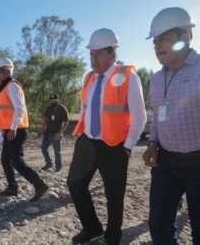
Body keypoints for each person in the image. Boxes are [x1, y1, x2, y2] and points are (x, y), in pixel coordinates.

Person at [142, 7, 200, 245]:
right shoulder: (156, 79)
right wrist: (153, 142)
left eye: (163, 38)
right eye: (155, 41)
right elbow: (158, 116)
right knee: (158, 226)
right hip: (166, 164)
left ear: (185, 37)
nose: (157, 45)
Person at [67, 28, 147, 244]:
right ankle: (92, 227)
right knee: (74, 183)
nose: (93, 59)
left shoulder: (128, 77)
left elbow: (140, 117)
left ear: (113, 54)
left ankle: (113, 236)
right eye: (91, 54)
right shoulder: (89, 77)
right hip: (87, 142)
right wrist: (82, 132)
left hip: (115, 146)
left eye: (99, 53)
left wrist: (128, 146)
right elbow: (85, 107)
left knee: (114, 195)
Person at [0, 57, 48, 202]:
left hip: (17, 130)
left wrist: (12, 129)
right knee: (5, 159)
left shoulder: (12, 85)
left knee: (17, 161)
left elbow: (19, 109)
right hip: (9, 130)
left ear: (6, 71)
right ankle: (12, 187)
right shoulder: (5, 87)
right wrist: (5, 129)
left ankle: (40, 185)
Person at [41, 93, 69, 172]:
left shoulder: (62, 109)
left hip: (56, 133)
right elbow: (45, 119)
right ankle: (49, 163)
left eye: (54, 100)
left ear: (58, 100)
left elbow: (66, 123)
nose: (52, 102)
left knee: (57, 151)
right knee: (43, 148)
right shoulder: (48, 108)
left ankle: (58, 167)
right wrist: (43, 129)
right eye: (51, 100)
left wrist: (59, 134)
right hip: (47, 132)